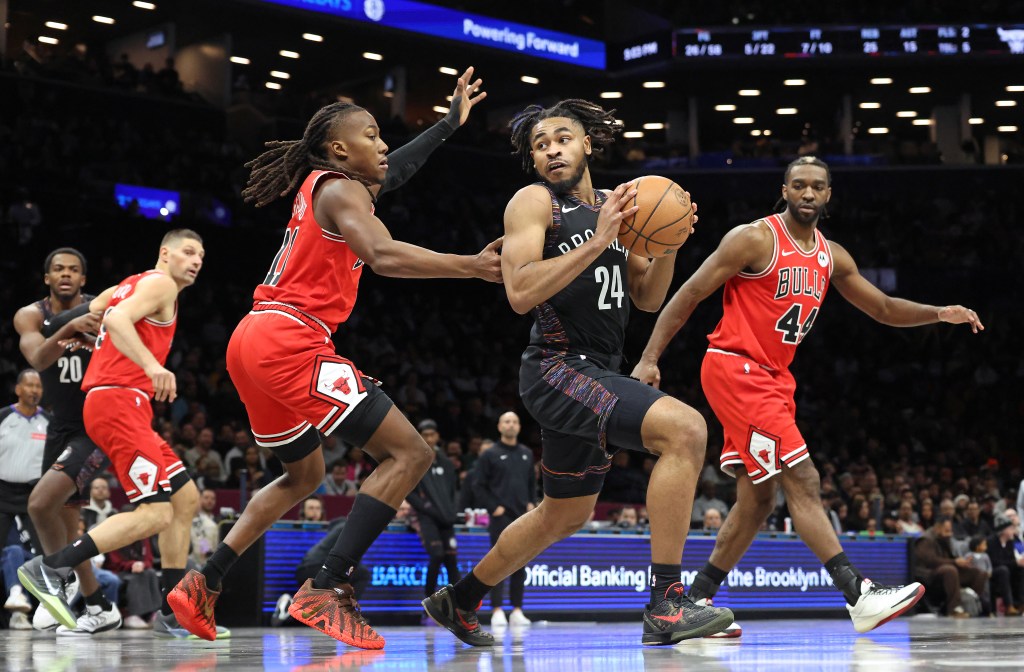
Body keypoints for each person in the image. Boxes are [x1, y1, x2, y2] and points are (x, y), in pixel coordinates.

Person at [167, 67, 499, 649]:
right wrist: (469, 265)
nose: (384, 144)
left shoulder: (334, 188)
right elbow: (385, 255)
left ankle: (206, 580)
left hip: (253, 339)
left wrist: (447, 125)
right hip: (292, 340)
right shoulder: (342, 188)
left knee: (305, 474)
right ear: (339, 148)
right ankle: (327, 585)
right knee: (411, 453)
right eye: (372, 134)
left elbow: (396, 171)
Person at [423, 98, 732, 647]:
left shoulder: (618, 206)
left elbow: (646, 297)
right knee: (685, 431)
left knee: (563, 514)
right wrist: (597, 240)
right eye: (540, 146)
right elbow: (519, 293)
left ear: (588, 143)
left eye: (562, 139)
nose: (551, 151)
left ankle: (461, 597)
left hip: (600, 368)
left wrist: (669, 244)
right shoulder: (535, 202)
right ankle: (666, 601)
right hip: (557, 367)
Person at [633, 156, 983, 635]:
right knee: (804, 477)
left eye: (817, 186)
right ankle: (858, 594)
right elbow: (689, 294)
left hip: (774, 377)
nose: (808, 193)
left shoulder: (831, 255)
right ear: (785, 189)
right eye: (799, 185)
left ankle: (692, 603)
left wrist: (939, 313)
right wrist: (651, 356)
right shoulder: (754, 238)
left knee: (758, 499)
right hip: (736, 367)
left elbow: (882, 307)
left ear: (828, 194)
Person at [17, 229, 210, 641]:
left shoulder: (128, 284)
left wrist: (56, 323)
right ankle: (52, 567)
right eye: (188, 252)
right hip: (118, 401)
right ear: (165, 254)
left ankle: (172, 611)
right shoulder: (159, 284)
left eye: (201, 256)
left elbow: (102, 308)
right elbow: (118, 318)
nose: (196, 261)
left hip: (123, 404)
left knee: (185, 498)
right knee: (156, 513)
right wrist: (152, 366)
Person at [13, 248, 118, 634]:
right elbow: (39, 359)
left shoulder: (103, 309)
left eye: (74, 269)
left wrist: (98, 339)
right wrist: (70, 327)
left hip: (95, 425)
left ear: (84, 279)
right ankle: (97, 604)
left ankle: (58, 577)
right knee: (65, 520)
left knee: (40, 505)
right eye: (58, 269)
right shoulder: (30, 315)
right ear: (47, 278)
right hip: (60, 427)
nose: (66, 275)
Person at [473, 411, 535, 627]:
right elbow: (478, 485)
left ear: (519, 427)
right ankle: (497, 609)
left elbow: (531, 484)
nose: (511, 425)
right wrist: (494, 507)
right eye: (507, 421)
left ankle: (517, 609)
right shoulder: (489, 454)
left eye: (515, 421)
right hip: (501, 517)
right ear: (499, 427)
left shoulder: (527, 454)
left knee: (521, 564)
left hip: (523, 517)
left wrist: (531, 504)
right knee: (499, 563)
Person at [407, 423, 461, 601]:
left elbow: (454, 491)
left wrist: (453, 511)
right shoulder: (415, 461)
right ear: (420, 436)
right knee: (437, 555)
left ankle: (461, 605)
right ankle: (428, 602)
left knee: (452, 561)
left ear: (437, 436)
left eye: (432, 434)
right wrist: (426, 508)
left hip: (448, 519)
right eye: (425, 435)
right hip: (428, 518)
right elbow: (410, 492)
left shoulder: (446, 463)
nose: (429, 439)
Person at [914, 516, 986, 618]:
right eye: (947, 530)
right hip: (928, 575)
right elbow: (931, 561)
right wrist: (955, 562)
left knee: (978, 573)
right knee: (950, 570)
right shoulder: (926, 539)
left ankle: (969, 603)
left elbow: (949, 557)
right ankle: (954, 609)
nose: (950, 533)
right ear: (938, 527)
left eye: (950, 530)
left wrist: (962, 562)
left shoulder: (943, 538)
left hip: (946, 571)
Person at [987, 514, 1024, 616]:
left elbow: (1011, 560)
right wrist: (1014, 563)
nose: (1014, 531)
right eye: (1011, 528)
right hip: (993, 571)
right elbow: (994, 562)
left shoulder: (1010, 542)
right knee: (1003, 570)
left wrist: (1018, 563)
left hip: (1006, 569)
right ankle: (1009, 606)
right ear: (1004, 530)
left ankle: (1021, 603)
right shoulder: (991, 542)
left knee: (1021, 569)